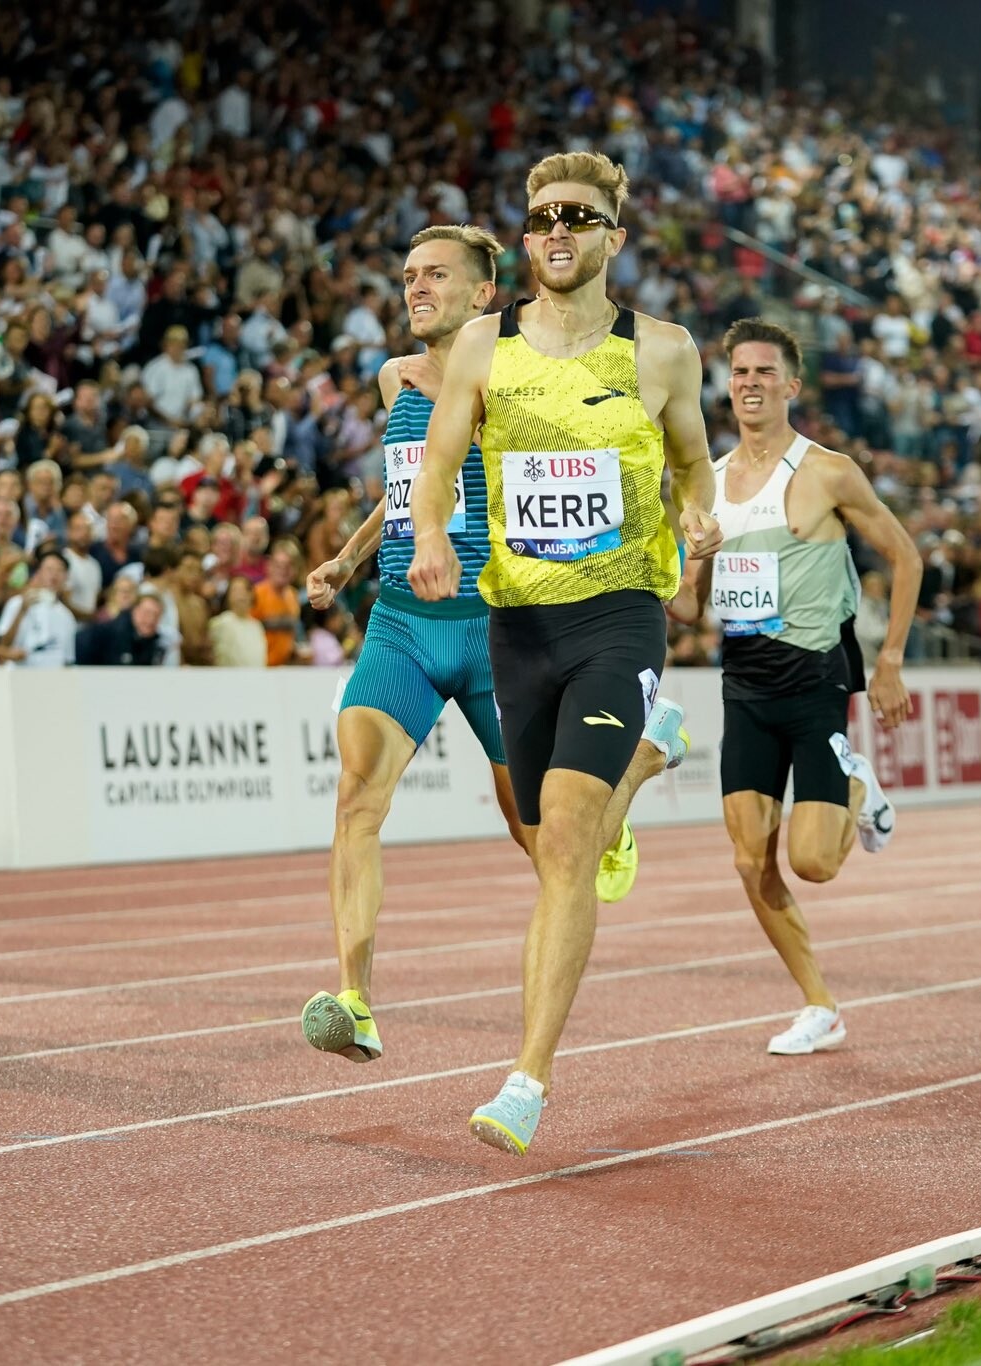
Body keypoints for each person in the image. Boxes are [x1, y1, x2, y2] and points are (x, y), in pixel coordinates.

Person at [410, 152, 720, 1154]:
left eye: (579, 217)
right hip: (519, 623)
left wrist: (700, 516)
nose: (557, 230)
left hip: (618, 614)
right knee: (549, 840)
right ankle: (647, 754)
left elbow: (693, 465)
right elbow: (439, 462)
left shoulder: (662, 350)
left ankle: (526, 1079)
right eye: (543, 216)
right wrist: (426, 536)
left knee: (570, 840)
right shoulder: (480, 346)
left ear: (611, 238)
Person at [297, 226, 530, 1067]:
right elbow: (406, 486)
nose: (416, 288)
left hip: (493, 626)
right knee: (356, 799)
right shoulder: (394, 376)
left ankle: (627, 779)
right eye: (407, 277)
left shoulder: (517, 380)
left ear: (483, 294)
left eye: (436, 275)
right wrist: (349, 557)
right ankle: (355, 1001)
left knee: (535, 827)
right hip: (399, 623)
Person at [674, 319, 920, 1055]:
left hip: (815, 678)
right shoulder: (706, 482)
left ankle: (857, 788)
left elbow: (906, 557)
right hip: (744, 685)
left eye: (763, 372)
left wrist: (890, 660)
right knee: (750, 861)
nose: (749, 383)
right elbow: (688, 608)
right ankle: (820, 1005)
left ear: (792, 385)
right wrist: (672, 565)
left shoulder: (827, 472)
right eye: (739, 372)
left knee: (812, 863)